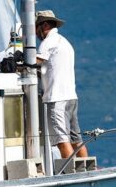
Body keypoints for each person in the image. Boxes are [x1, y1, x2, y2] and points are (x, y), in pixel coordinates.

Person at [35, 10, 88, 159]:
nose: (35, 33)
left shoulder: (48, 42)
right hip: (71, 96)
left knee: (61, 140)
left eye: (36, 28)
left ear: (44, 25)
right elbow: (52, 68)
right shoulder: (64, 42)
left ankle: (70, 171)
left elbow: (34, 63)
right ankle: (88, 168)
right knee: (76, 140)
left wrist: (19, 63)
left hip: (57, 98)